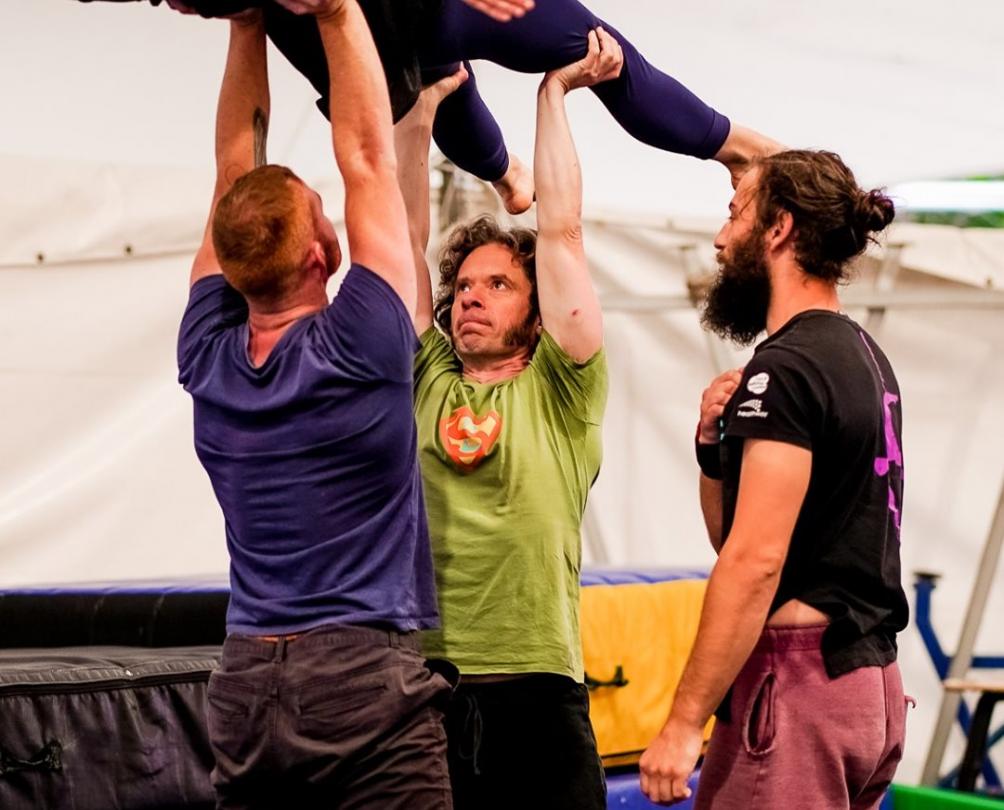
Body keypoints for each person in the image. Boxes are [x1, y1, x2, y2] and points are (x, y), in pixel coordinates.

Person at [175, 2, 453, 807]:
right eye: (322, 213)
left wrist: (246, 20)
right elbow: (368, 156)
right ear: (321, 254)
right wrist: (333, 10)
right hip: (360, 683)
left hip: (243, 688)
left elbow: (234, 180)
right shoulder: (362, 343)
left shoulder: (206, 355)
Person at [638, 150, 910, 809]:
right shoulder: (863, 356)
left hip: (800, 682)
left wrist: (681, 723)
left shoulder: (786, 369)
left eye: (735, 215)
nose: (720, 238)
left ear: (779, 228)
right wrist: (713, 449)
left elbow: (754, 561)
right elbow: (737, 535)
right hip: (870, 686)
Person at [392, 28, 619, 810]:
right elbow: (400, 239)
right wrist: (420, 110)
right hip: (429, 689)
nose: (471, 296)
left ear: (537, 309)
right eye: (464, 285)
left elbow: (561, 231)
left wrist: (551, 96)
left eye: (497, 285)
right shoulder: (427, 376)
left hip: (538, 692)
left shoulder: (564, 388)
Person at [264, 0, 780, 213]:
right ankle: (736, 147)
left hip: (369, 29)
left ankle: (506, 172)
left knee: (440, 77)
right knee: (602, 49)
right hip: (361, 29)